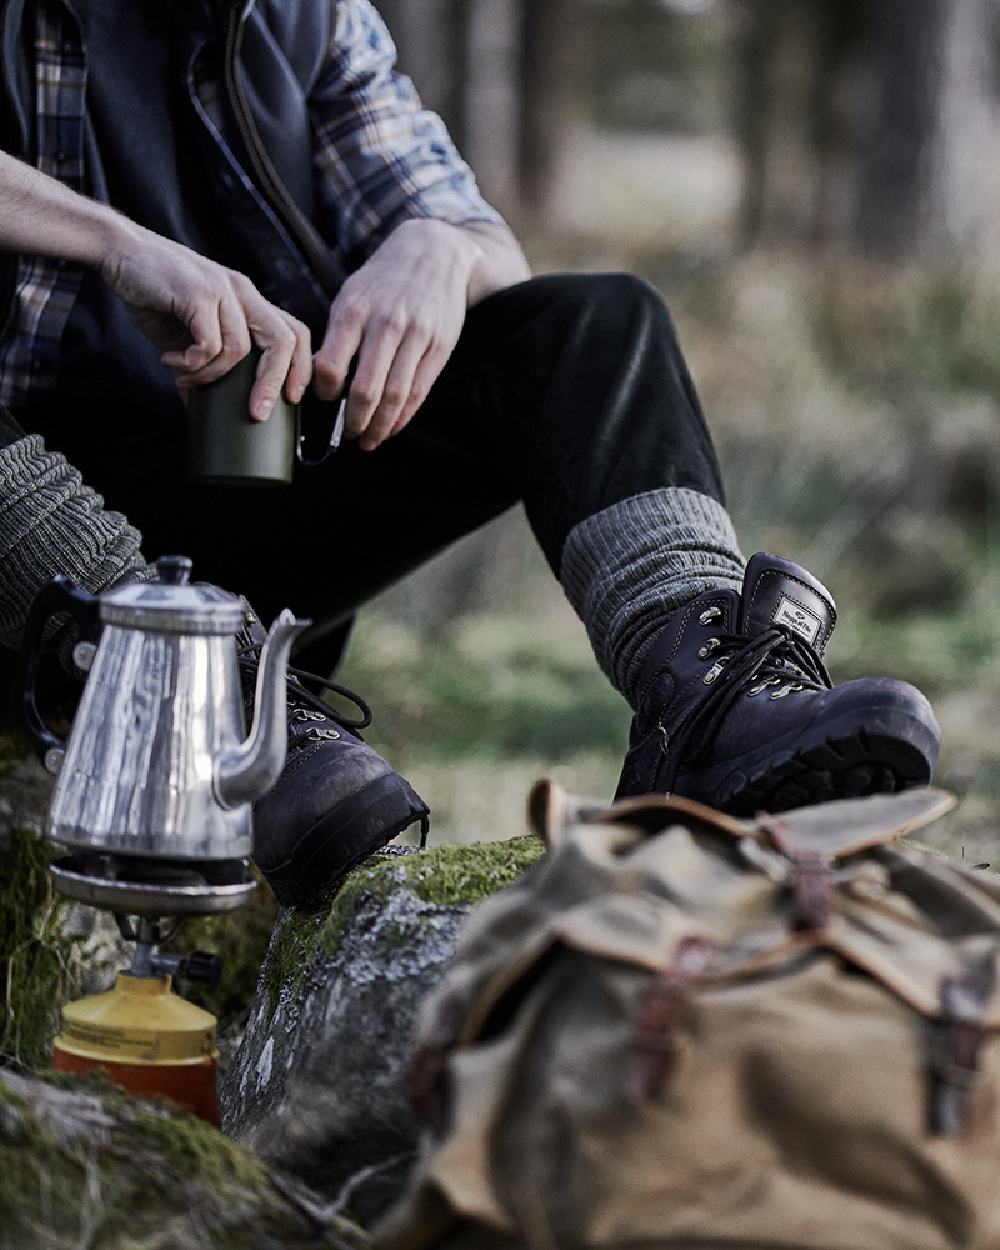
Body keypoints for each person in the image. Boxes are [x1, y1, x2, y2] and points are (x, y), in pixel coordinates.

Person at [0, 0, 940, 905]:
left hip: (230, 508)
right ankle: (218, 700)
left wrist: (442, 249)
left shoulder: (305, 17)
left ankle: (705, 707)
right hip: (36, 571)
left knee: (591, 324)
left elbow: (491, 254)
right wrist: (111, 240)